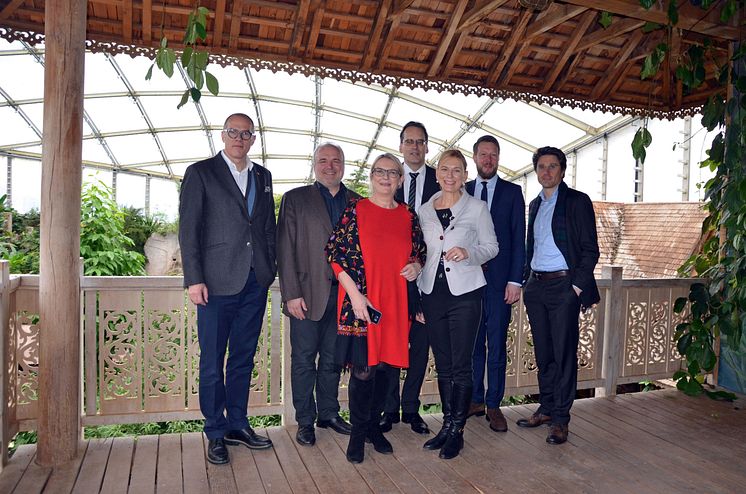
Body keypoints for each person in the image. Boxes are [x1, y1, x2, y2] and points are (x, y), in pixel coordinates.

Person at [179, 113, 277, 465]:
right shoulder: (201, 173)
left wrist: (269, 270)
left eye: (246, 133)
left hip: (254, 282)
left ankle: (238, 423)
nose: (239, 138)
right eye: (233, 132)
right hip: (215, 283)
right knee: (212, 360)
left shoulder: (263, 176)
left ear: (253, 139)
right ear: (223, 136)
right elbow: (188, 229)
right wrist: (194, 278)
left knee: (242, 358)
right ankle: (215, 431)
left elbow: (267, 226)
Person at [326, 153, 426, 464]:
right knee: (363, 370)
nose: (386, 177)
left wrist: (416, 267)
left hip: (395, 302)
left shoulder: (409, 215)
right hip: (362, 303)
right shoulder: (356, 209)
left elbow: (418, 252)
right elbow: (334, 254)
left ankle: (373, 427)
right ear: (371, 175)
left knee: (386, 368)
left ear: (400, 180)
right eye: (380, 171)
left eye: (392, 173)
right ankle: (358, 433)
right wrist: (355, 296)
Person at [418, 149, 498, 459]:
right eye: (445, 169)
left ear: (465, 175)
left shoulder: (477, 208)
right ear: (436, 174)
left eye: (457, 170)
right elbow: (421, 250)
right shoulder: (425, 210)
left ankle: (458, 431)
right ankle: (447, 425)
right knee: (444, 364)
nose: (450, 175)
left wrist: (469, 254)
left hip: (465, 294)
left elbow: (492, 246)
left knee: (461, 366)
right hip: (432, 294)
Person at [277, 142, 358, 446]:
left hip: (344, 298)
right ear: (314, 165)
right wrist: (291, 294)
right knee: (303, 360)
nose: (330, 166)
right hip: (307, 297)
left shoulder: (357, 202)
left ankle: (329, 413)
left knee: (333, 361)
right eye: (323, 160)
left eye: (336, 161)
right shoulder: (295, 199)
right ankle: (305, 421)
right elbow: (284, 249)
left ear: (343, 165)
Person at [518, 146, 600, 445]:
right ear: (536, 170)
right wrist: (528, 282)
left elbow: (591, 249)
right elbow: (532, 247)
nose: (547, 171)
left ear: (562, 170)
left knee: (564, 355)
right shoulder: (535, 205)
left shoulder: (577, 201)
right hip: (537, 287)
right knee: (544, 353)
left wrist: (575, 289)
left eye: (553, 166)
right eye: (541, 166)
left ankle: (562, 420)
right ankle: (547, 408)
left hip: (564, 286)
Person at [380, 121, 440, 436]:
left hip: (428, 278)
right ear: (401, 145)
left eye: (420, 141)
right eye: (409, 141)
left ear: (427, 146)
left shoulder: (441, 181)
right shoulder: (388, 178)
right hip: (391, 281)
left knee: (420, 346)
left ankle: (411, 408)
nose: (415, 147)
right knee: (391, 345)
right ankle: (389, 409)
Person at [465, 135, 526, 432]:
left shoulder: (513, 192)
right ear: (474, 157)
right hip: (468, 282)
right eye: (483, 154)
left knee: (497, 345)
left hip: (501, 283)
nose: (488, 159)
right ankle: (475, 399)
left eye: (493, 155)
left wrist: (516, 280)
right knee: (473, 344)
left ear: (498, 159)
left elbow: (518, 239)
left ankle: (494, 404)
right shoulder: (462, 191)